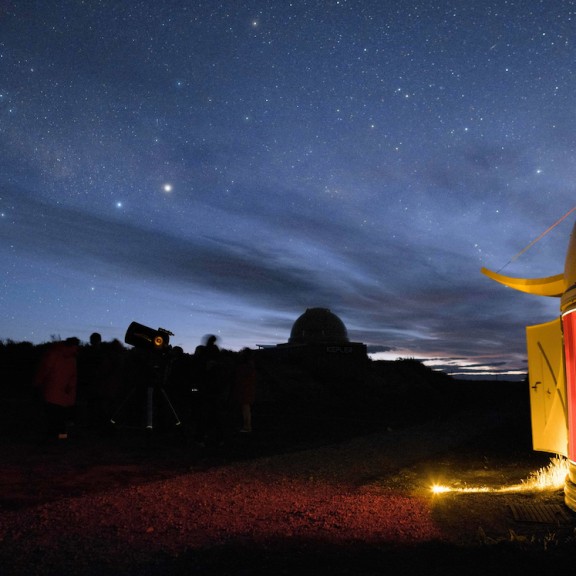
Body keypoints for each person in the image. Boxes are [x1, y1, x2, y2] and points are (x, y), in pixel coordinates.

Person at [34, 337, 80, 440]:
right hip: (54, 394)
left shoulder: (69, 358)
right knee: (55, 419)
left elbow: (73, 376)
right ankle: (57, 438)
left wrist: (70, 388)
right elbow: (44, 370)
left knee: (57, 419)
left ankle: (57, 438)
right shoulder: (56, 355)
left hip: (60, 395)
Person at [233, 348, 257, 433]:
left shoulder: (245, 366)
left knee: (245, 408)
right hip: (247, 389)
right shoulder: (251, 365)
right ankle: (246, 426)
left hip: (244, 390)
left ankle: (247, 427)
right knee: (246, 408)